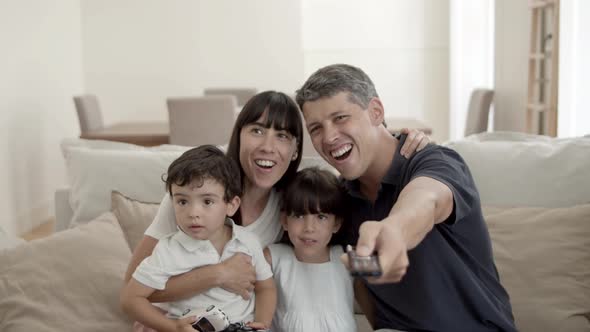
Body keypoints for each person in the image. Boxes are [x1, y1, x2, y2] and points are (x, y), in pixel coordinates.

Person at [122, 91, 429, 330]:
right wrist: (219, 274)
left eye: (282, 136)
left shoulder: (294, 199)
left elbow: (339, 200)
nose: (268, 146)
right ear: (239, 135)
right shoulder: (196, 195)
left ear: (296, 150)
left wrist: (400, 141)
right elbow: (134, 290)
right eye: (257, 130)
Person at [295, 64, 517, 332]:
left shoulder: (435, 161)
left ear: (376, 112)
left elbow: (426, 200)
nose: (329, 137)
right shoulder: (339, 199)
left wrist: (395, 231)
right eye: (316, 128)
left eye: (341, 117)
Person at [121, 145, 276, 331]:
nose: (193, 213)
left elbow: (266, 287)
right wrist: (173, 327)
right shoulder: (169, 249)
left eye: (207, 201)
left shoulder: (248, 241)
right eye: (182, 201)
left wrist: (263, 323)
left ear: (231, 205)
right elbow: (130, 299)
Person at [265, 167, 355, 332]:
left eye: (321, 217)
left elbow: (378, 290)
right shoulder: (274, 257)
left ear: (336, 224)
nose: (309, 228)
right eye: (299, 216)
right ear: (284, 220)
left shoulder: (346, 257)